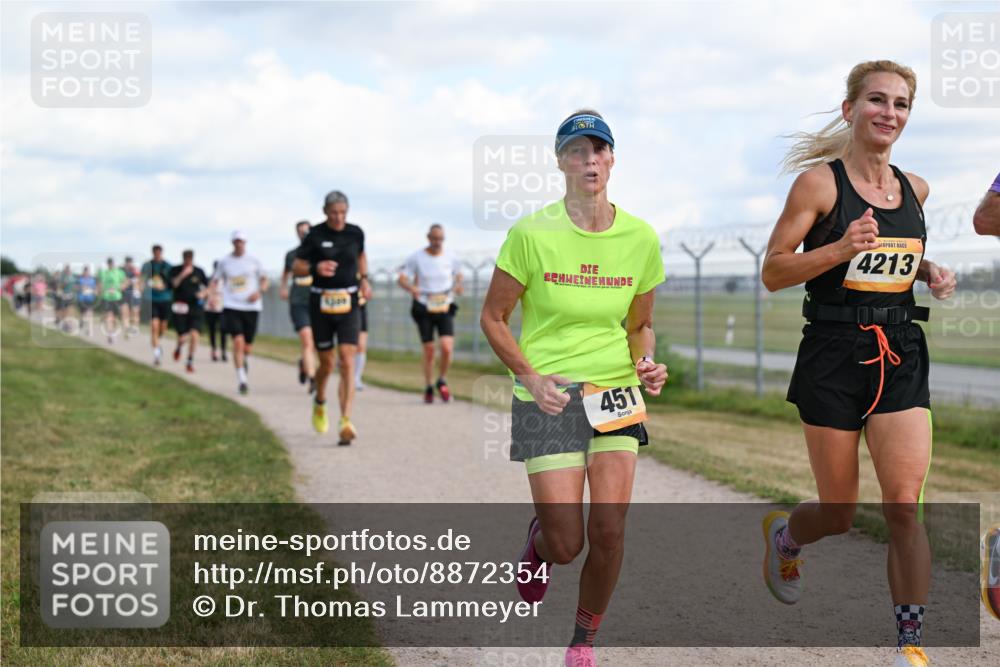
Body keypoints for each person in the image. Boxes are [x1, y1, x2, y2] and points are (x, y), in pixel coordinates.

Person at [760, 61, 957, 667]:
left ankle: (910, 645)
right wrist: (841, 247)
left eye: (900, 104)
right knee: (840, 512)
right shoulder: (819, 186)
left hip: (899, 354)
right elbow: (772, 270)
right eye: (877, 100)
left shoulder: (916, 189)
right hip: (833, 356)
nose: (889, 113)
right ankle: (787, 537)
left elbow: (895, 259)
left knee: (904, 504)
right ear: (850, 110)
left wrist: (929, 270)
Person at [480, 110, 667, 667]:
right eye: (577, 151)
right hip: (550, 395)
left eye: (599, 150)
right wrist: (530, 377)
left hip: (614, 392)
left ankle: (583, 640)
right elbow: (494, 317)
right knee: (568, 545)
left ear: (613, 158)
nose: (590, 161)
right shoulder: (531, 234)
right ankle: (540, 541)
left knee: (608, 530)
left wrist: (648, 361)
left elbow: (638, 326)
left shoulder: (640, 237)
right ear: (560, 161)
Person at [293, 190, 371, 444]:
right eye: (334, 213)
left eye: (343, 213)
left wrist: (365, 280)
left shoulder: (355, 233)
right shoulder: (315, 235)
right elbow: (298, 266)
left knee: (347, 360)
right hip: (321, 303)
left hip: (348, 302)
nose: (338, 218)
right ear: (325, 211)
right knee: (326, 363)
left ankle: (345, 421)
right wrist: (316, 267)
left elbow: (361, 256)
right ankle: (320, 400)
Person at [399, 224, 464, 403]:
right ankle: (428, 385)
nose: (437, 242)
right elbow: (402, 278)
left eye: (440, 239)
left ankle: (441, 380)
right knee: (429, 350)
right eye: (434, 239)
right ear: (428, 237)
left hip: (445, 304)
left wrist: (458, 285)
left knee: (446, 346)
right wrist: (412, 288)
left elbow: (459, 275)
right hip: (424, 306)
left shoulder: (451, 257)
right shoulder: (416, 257)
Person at [213, 231, 268, 394]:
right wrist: (212, 296)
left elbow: (264, 280)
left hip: (251, 307)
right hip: (232, 305)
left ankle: (244, 360)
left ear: (245, 243)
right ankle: (242, 380)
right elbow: (215, 280)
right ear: (232, 243)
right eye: (236, 241)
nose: (239, 244)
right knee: (237, 341)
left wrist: (260, 292)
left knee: (247, 346)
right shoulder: (225, 262)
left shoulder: (254, 261)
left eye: (241, 241)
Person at [281, 220, 317, 393]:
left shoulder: (319, 252)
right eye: (300, 231)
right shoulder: (292, 255)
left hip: (317, 302)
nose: (304, 234)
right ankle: (312, 378)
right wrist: (283, 288)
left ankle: (304, 363)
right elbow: (285, 274)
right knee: (306, 339)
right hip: (298, 302)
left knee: (315, 343)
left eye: (306, 231)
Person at [168, 250, 209, 373]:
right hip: (180, 306)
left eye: (190, 258)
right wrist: (183, 274)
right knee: (183, 338)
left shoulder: (199, 271)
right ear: (183, 258)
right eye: (186, 258)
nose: (188, 260)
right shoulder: (175, 270)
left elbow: (208, 287)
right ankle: (179, 348)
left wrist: (203, 294)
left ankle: (190, 361)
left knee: (195, 335)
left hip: (195, 307)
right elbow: (172, 285)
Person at [142, 245, 173, 365]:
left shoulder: (168, 266)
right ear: (153, 253)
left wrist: (165, 286)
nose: (157, 254)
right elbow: (142, 279)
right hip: (151, 299)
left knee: (163, 327)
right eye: (155, 252)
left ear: (161, 253)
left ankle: (158, 341)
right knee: (154, 326)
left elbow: (172, 282)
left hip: (165, 299)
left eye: (159, 252)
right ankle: (156, 354)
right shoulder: (147, 265)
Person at [97, 257, 126, 344]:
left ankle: (113, 333)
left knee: (115, 318)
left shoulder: (119, 272)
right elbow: (100, 283)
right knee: (109, 316)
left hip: (117, 297)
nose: (110, 265)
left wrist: (120, 288)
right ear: (107, 264)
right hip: (107, 297)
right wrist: (99, 291)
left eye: (111, 263)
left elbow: (125, 282)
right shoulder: (103, 273)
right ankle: (110, 335)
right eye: (109, 263)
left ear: (114, 263)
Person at [204, 260, 227, 362]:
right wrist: (210, 299)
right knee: (212, 330)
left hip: (222, 307)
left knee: (223, 330)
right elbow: (206, 291)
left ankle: (223, 351)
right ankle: (213, 350)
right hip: (211, 307)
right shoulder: (210, 279)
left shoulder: (226, 280)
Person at [121, 256, 142, 337]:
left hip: (135, 294)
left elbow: (139, 282)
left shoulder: (135, 271)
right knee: (125, 312)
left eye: (130, 262)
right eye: (127, 262)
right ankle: (127, 329)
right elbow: (122, 284)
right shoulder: (121, 271)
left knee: (135, 312)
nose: (129, 264)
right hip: (125, 294)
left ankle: (135, 327)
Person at [77, 265, 97, 334]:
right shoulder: (80, 280)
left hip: (90, 299)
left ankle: (89, 329)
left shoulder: (92, 280)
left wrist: (95, 292)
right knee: (83, 313)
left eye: (87, 272)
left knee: (90, 313)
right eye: (85, 272)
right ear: (83, 272)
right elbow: (77, 288)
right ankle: (82, 321)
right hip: (82, 299)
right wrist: (81, 288)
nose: (86, 273)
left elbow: (94, 288)